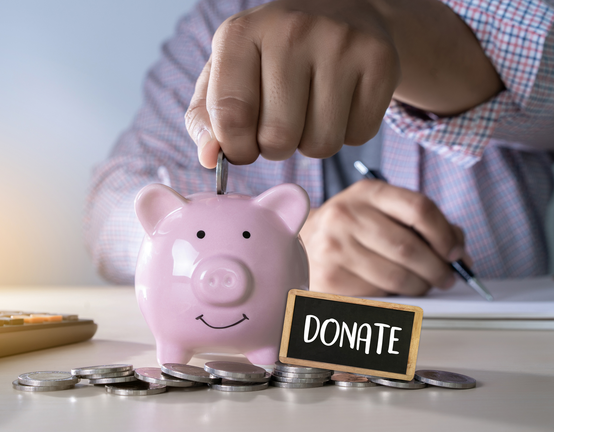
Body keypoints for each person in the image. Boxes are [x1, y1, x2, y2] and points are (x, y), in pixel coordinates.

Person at [84, 0, 554, 297]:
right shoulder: (219, 20)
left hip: (496, 343)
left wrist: (403, 31)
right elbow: (110, 214)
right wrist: (279, 248)